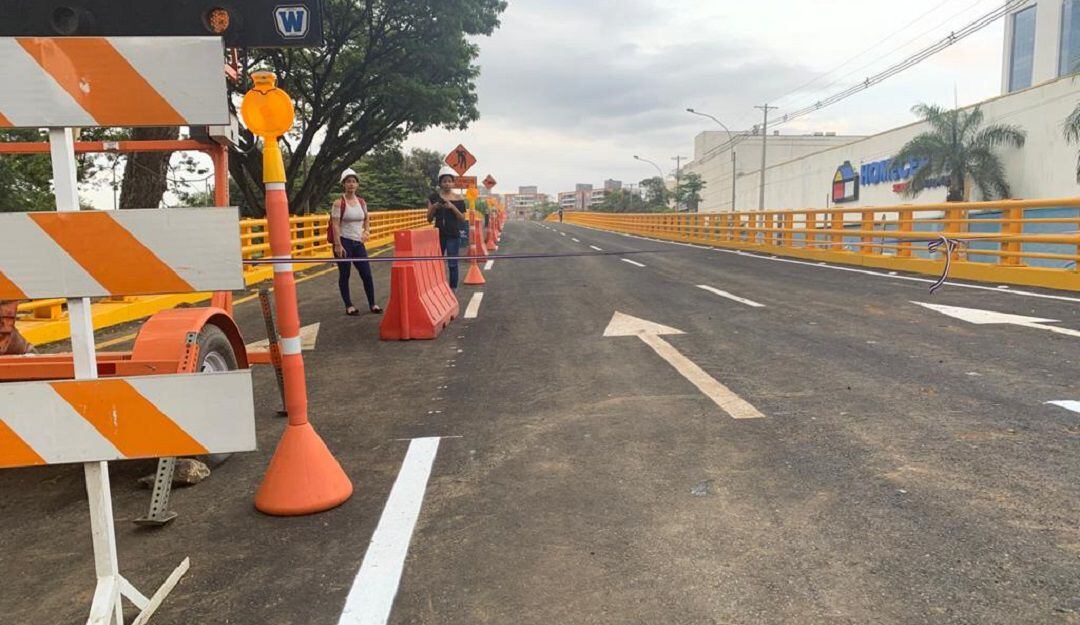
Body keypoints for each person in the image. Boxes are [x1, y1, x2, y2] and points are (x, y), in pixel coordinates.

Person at [331, 168, 382, 315]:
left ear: (357, 184)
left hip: (358, 242)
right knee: (345, 274)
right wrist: (338, 244)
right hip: (344, 241)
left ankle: (372, 303)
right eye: (348, 182)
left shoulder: (361, 202)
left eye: (353, 182)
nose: (351, 184)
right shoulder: (338, 203)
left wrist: (366, 231)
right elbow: (335, 225)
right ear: (343, 184)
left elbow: (366, 218)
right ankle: (349, 305)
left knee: (366, 273)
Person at [427, 166, 468, 288]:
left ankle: (453, 289)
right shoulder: (433, 197)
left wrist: (452, 207)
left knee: (452, 264)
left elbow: (462, 219)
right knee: (436, 263)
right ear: (440, 183)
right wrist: (434, 207)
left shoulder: (459, 199)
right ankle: (437, 287)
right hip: (438, 235)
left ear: (453, 183)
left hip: (453, 235)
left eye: (449, 181)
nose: (447, 184)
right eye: (444, 181)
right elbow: (428, 219)